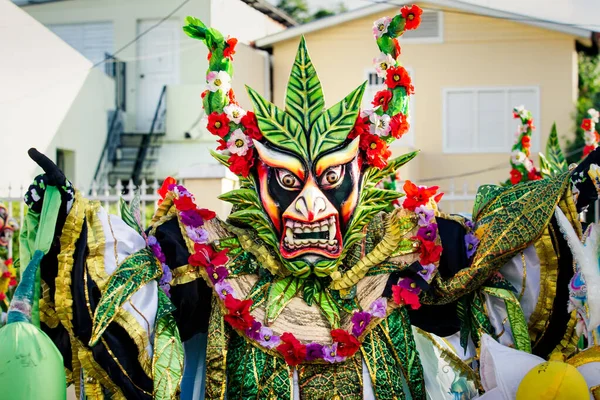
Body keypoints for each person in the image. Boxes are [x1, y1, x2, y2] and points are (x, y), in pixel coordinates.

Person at [21, 6, 600, 399]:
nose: (310, 206)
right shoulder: (210, 265)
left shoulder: (408, 255)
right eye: (289, 184)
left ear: (364, 175)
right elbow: (126, 306)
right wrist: (64, 216)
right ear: (256, 181)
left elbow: (507, 251)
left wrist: (574, 191)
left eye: (331, 179)